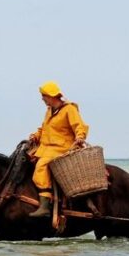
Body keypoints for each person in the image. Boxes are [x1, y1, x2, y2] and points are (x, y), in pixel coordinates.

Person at [26, 80, 89, 218]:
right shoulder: (49, 110)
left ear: (52, 96)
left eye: (44, 96)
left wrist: (80, 136)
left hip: (62, 148)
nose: (42, 99)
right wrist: (35, 136)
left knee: (41, 166)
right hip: (45, 148)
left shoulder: (69, 109)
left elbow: (79, 125)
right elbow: (44, 128)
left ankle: (44, 206)